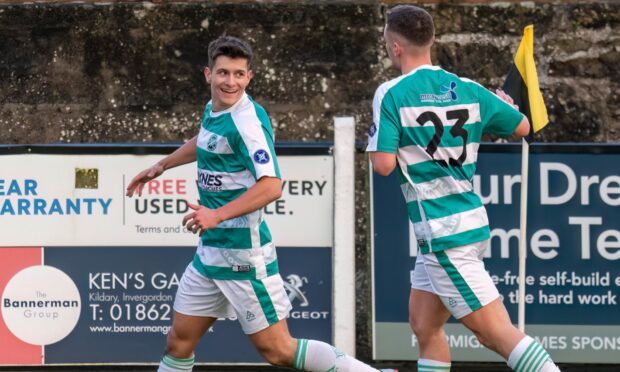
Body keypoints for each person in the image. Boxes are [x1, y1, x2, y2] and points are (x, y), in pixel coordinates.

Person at [127, 35, 381, 372]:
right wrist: (162, 165)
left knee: (279, 351)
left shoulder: (247, 123)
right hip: (210, 254)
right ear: (208, 74)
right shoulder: (214, 109)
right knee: (179, 341)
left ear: (249, 77)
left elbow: (272, 186)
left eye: (237, 74)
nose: (229, 82)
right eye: (222, 73)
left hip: (243, 256)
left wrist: (216, 214)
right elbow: (206, 141)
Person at [367, 5, 561, 372]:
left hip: (443, 233)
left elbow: (383, 165)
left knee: (495, 335)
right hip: (466, 223)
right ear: (433, 40)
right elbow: (522, 126)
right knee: (425, 326)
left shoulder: (391, 93)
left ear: (394, 47)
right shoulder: (469, 89)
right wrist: (501, 105)